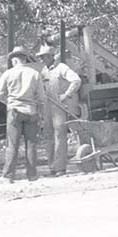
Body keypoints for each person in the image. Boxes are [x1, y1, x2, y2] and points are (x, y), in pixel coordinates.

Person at [0, 47, 44, 182]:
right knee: (31, 144)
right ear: (25, 59)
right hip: (31, 111)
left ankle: (8, 176)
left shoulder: (8, 74)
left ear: (14, 60)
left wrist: (8, 99)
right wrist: (39, 111)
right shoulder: (34, 74)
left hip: (15, 111)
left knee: (12, 145)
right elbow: (41, 97)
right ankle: (32, 175)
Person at [36, 42, 82, 176]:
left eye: (44, 57)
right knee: (48, 136)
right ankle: (52, 167)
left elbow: (76, 80)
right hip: (47, 108)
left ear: (51, 56)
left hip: (60, 107)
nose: (42, 59)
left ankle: (60, 168)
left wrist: (67, 95)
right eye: (41, 57)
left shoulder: (62, 67)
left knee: (59, 135)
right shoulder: (44, 71)